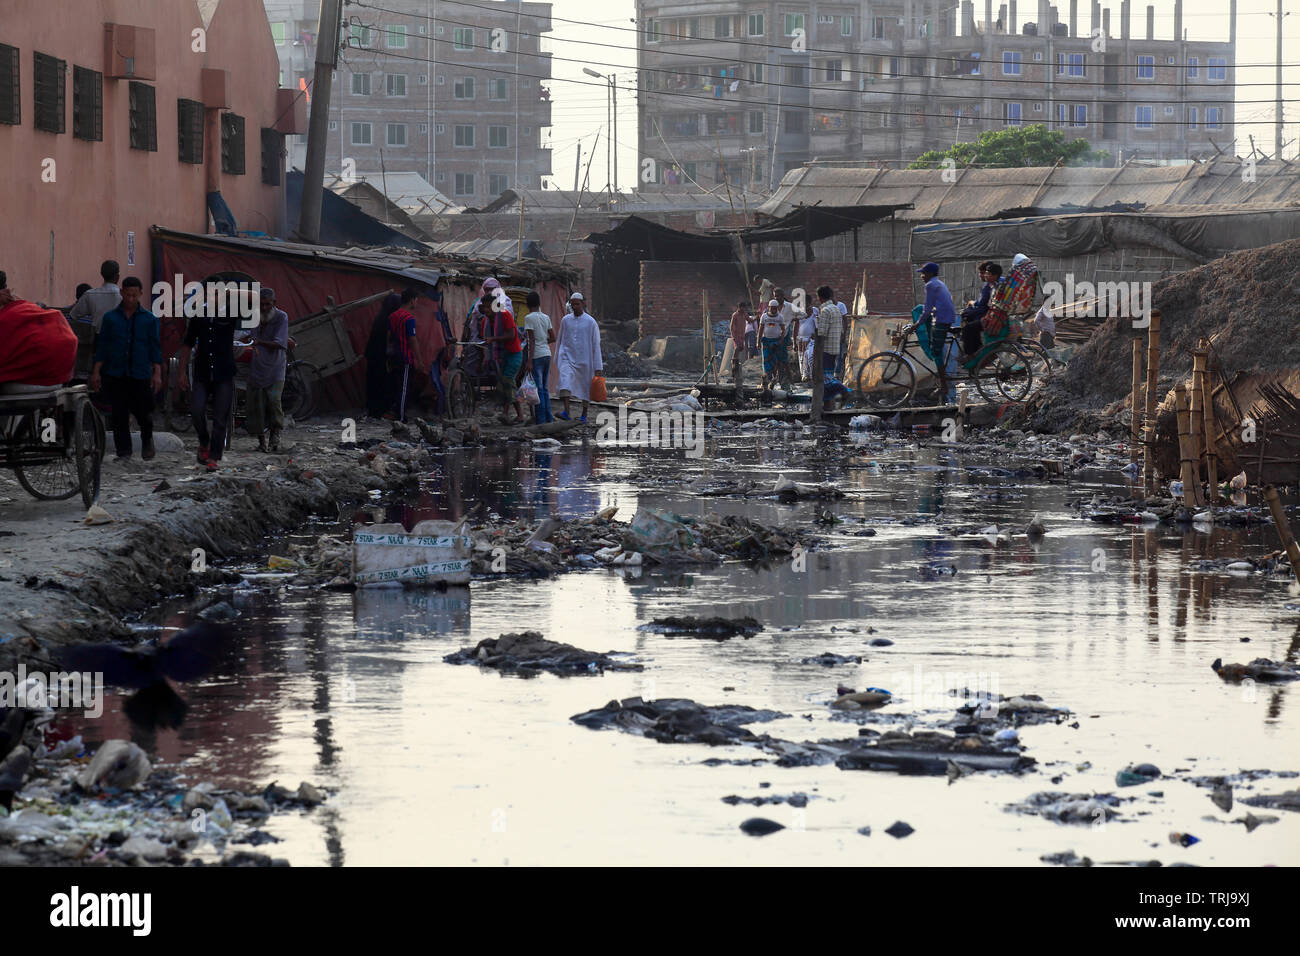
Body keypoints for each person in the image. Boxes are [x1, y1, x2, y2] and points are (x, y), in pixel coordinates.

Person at [91, 276, 162, 461]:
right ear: (122, 293)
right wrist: (97, 371)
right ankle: (124, 452)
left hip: (139, 373)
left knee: (143, 412)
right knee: (119, 413)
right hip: (115, 372)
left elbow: (155, 348)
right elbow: (103, 346)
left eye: (134, 295)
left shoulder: (149, 319)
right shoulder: (110, 318)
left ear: (140, 294)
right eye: (128, 295)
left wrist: (157, 373)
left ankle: (147, 440)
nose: (131, 299)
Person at [177, 283, 240, 469]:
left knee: (220, 417)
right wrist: (181, 373)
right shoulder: (198, 316)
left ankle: (214, 456)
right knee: (196, 411)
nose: (213, 298)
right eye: (209, 294)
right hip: (202, 373)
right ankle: (203, 441)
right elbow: (187, 345)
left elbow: (255, 295)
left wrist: (228, 292)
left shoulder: (231, 313)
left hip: (224, 373)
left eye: (216, 294)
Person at [242, 287, 289, 452]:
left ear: (274, 303)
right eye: (261, 304)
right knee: (257, 405)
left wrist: (258, 342)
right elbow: (250, 335)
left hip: (276, 368)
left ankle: (275, 436)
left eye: (267, 304)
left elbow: (279, 343)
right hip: (258, 367)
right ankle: (261, 442)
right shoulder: (254, 317)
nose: (264, 308)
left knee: (274, 401)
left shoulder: (282, 317)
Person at [555, 292, 602, 422]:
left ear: (583, 304)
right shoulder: (566, 320)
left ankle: (584, 415)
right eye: (572, 304)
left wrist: (598, 366)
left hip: (586, 360)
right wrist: (559, 356)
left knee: (586, 387)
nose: (574, 306)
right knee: (565, 381)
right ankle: (566, 411)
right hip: (567, 358)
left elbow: (596, 344)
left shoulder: (590, 322)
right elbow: (561, 340)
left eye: (577, 304)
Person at [917, 262, 959, 403]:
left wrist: (916, 324)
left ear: (929, 274)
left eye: (923, 273)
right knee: (938, 351)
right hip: (945, 317)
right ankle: (943, 382)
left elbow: (927, 309)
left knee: (936, 352)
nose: (922, 276)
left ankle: (944, 386)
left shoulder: (930, 285)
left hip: (941, 319)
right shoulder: (939, 283)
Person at [483, 289, 525, 424]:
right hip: (505, 355)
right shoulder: (491, 320)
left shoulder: (505, 315)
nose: (485, 310)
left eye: (488, 306)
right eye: (484, 307)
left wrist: (493, 339)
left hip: (514, 354)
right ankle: (510, 414)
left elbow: (511, 335)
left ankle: (516, 414)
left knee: (508, 381)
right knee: (506, 384)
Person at [365, 292, 400, 418]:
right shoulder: (389, 319)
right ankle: (381, 410)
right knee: (383, 383)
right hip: (381, 357)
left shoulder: (380, 317)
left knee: (373, 383)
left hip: (373, 355)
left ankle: (374, 410)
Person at [387, 287, 419, 421]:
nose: (416, 303)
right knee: (405, 388)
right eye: (416, 300)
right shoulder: (409, 318)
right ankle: (400, 416)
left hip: (393, 355)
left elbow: (388, 337)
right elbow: (413, 340)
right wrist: (420, 360)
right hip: (405, 357)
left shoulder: (392, 316)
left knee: (397, 385)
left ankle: (395, 412)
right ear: (412, 301)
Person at [522, 291, 555, 425]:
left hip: (536, 357)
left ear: (527, 304)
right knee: (545, 389)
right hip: (547, 354)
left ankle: (541, 421)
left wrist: (529, 361)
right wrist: (543, 342)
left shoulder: (529, 318)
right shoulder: (546, 317)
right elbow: (553, 337)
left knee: (539, 390)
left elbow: (531, 341)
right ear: (539, 303)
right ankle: (549, 418)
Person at [960, 261, 1002, 357]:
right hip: (993, 315)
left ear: (994, 276)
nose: (984, 275)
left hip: (993, 317)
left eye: (987, 273)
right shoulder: (997, 284)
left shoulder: (995, 287)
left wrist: (972, 304)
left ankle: (970, 354)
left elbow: (983, 303)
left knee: (968, 327)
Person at [69, 260, 122, 333]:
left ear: (101, 274)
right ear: (117, 277)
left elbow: (73, 315)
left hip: (98, 338)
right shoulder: (124, 296)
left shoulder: (90, 294)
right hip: (120, 338)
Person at [757, 297, 788, 389]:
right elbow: (760, 329)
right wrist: (758, 342)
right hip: (766, 341)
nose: (773, 310)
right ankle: (766, 380)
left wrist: (781, 340)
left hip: (776, 342)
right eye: (772, 308)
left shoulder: (780, 317)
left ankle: (776, 380)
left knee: (776, 361)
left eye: (775, 308)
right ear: (769, 307)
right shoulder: (764, 316)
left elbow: (783, 330)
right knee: (766, 361)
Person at [814, 286, 842, 381]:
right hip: (835, 347)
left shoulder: (825, 311)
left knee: (826, 377)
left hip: (826, 348)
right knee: (830, 373)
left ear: (820, 298)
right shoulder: (836, 308)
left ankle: (840, 391)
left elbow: (822, 333)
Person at [729, 299, 749, 382]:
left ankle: (736, 366)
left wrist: (757, 317)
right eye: (742, 308)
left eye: (744, 308)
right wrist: (733, 337)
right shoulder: (735, 315)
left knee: (740, 349)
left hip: (742, 336)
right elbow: (731, 327)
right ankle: (733, 367)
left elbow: (750, 320)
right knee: (737, 349)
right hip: (736, 336)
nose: (743, 309)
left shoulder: (744, 314)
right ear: (739, 307)